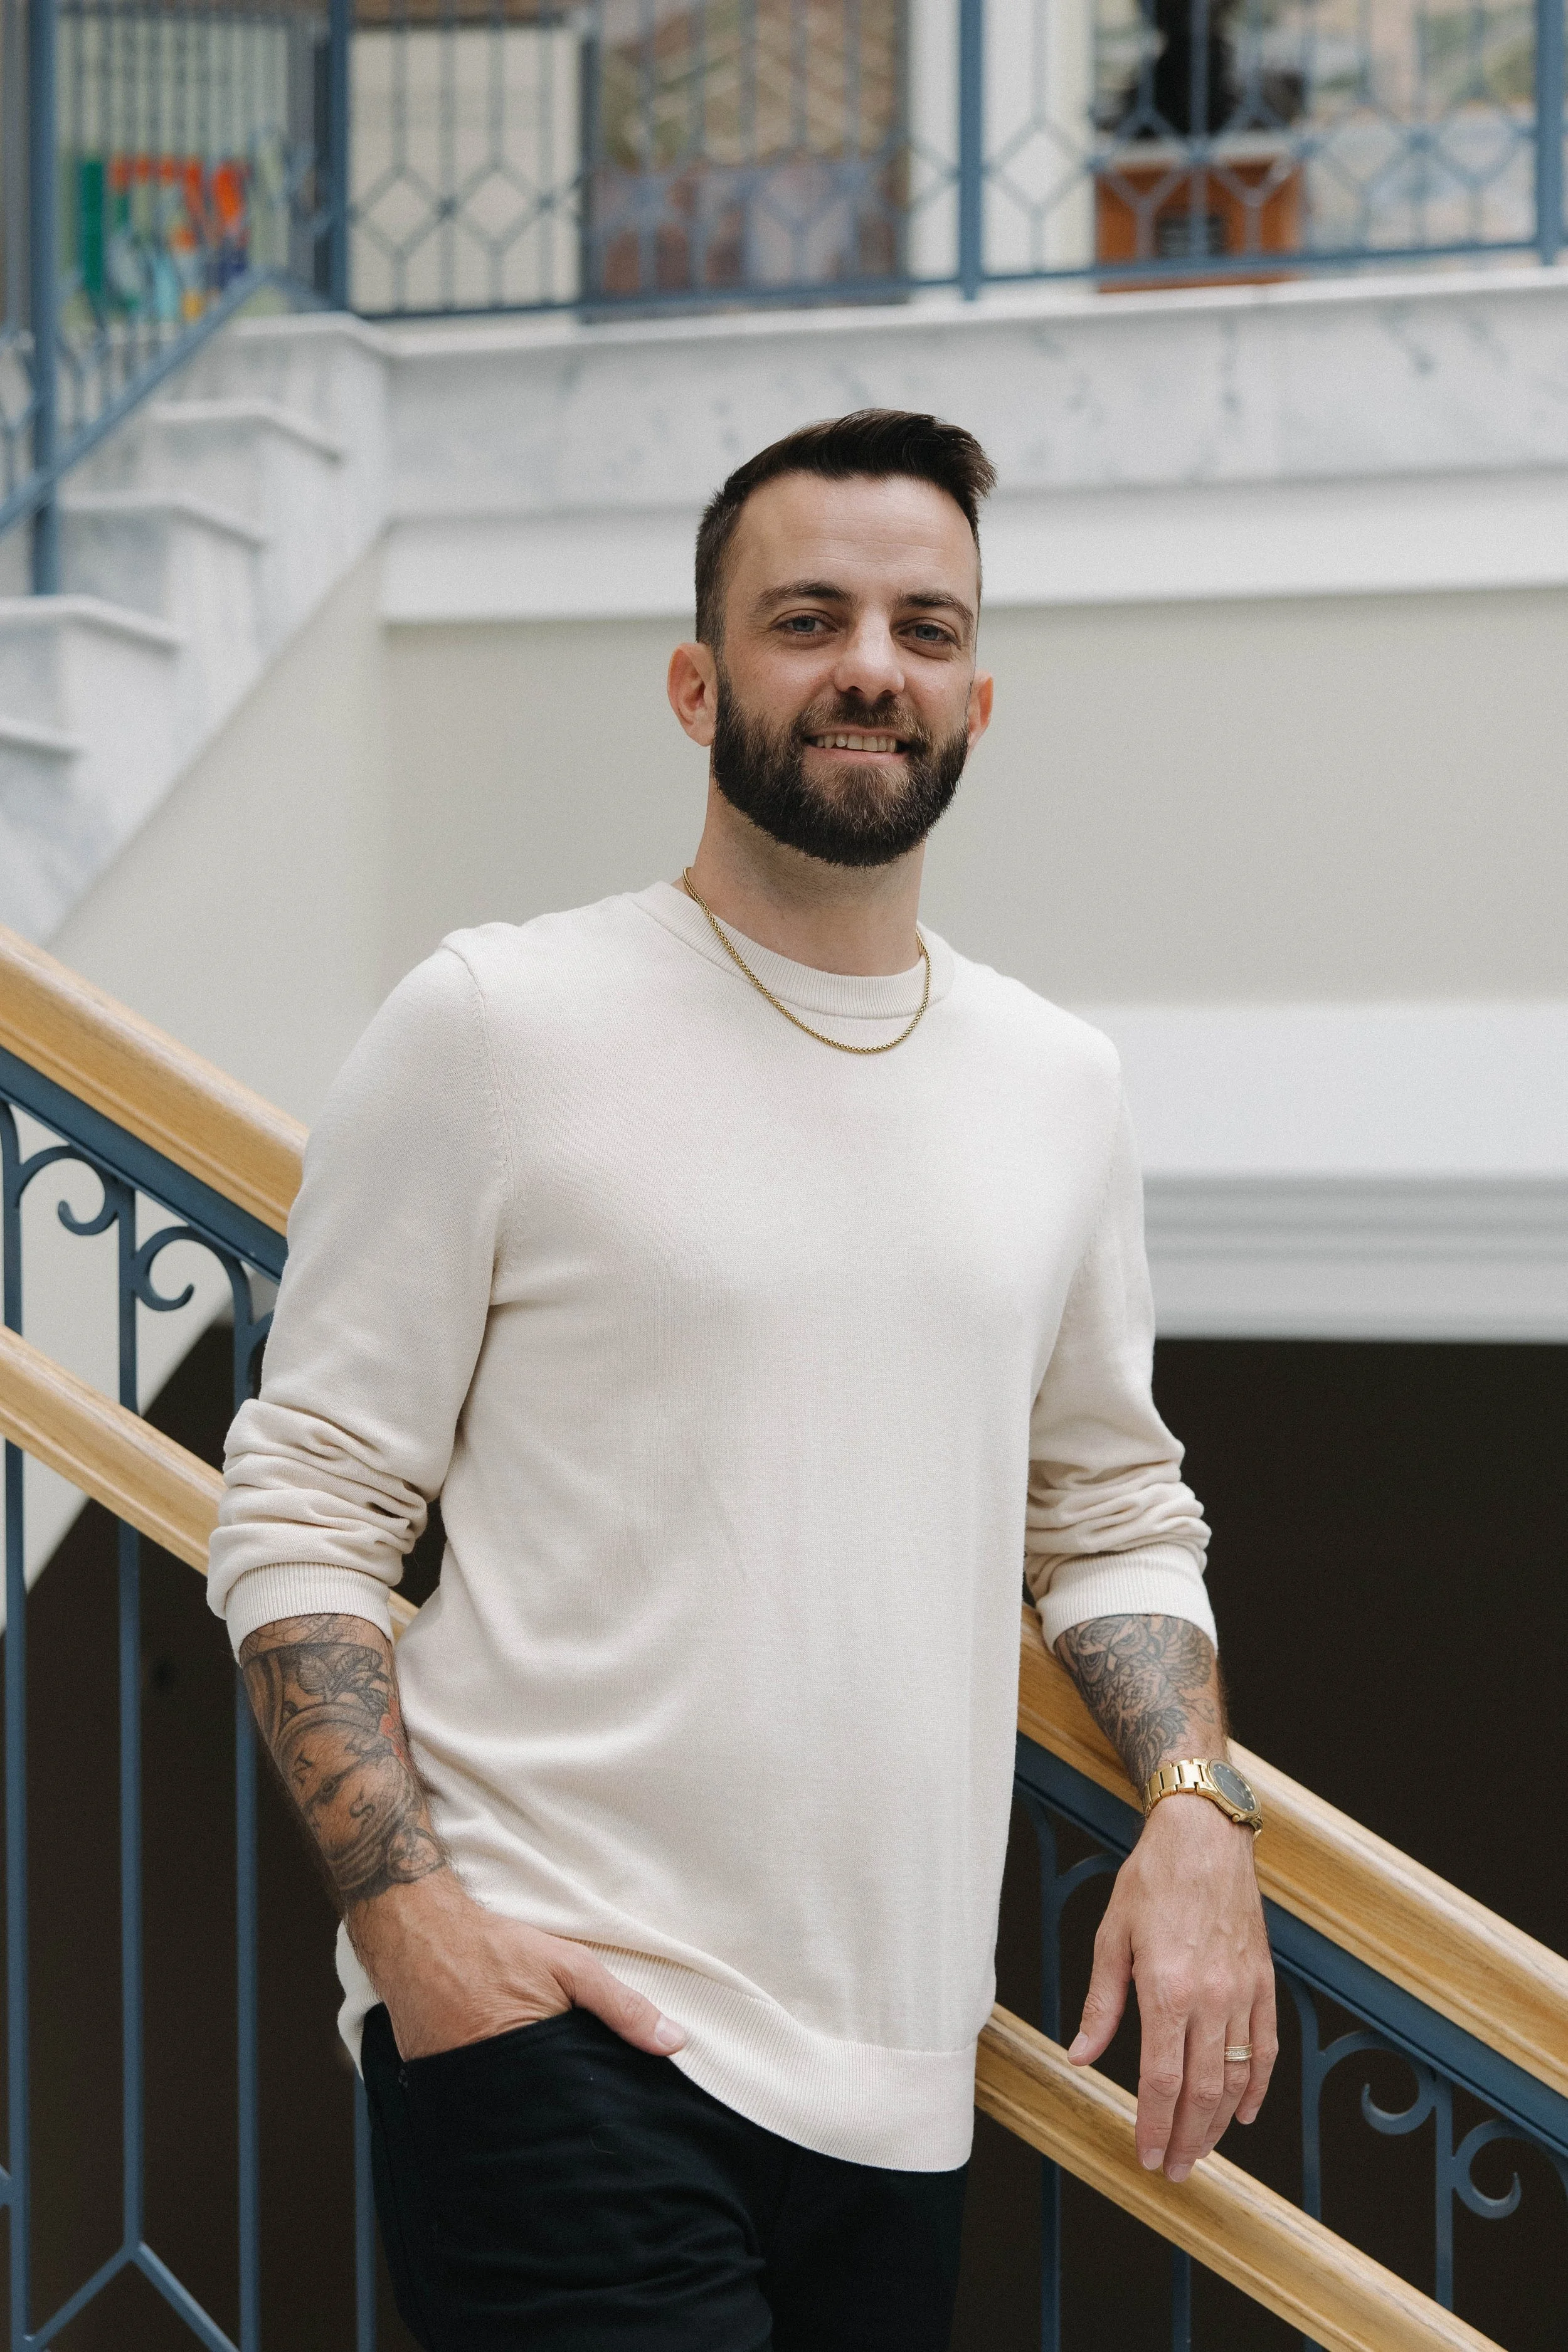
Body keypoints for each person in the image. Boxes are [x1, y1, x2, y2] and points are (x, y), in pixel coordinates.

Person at [209, 408, 1276, 2352]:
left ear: (974, 694)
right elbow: (304, 1504)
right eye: (809, 616)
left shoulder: (1057, 1087)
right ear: (699, 681)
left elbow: (1111, 1508)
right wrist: (415, 1927)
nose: (872, 662)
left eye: (923, 624)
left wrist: (1197, 1813)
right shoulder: (498, 1020)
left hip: (893, 2073)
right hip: (555, 2029)